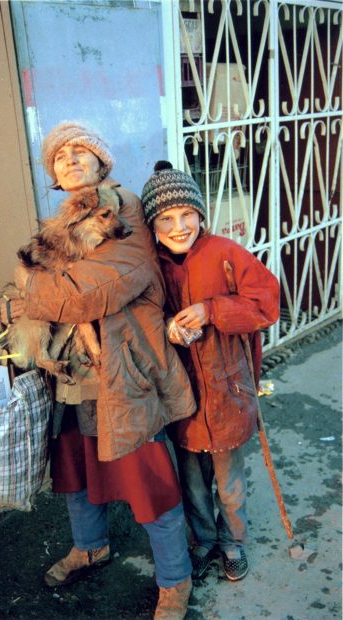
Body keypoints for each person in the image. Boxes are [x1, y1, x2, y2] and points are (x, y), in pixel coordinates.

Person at [1, 123, 196, 619]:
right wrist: (19, 300)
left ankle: (175, 580)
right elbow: (22, 287)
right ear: (54, 175)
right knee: (77, 474)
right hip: (70, 376)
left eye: (80, 150)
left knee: (149, 479)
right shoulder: (58, 224)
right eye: (59, 155)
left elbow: (90, 290)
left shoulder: (122, 209)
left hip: (124, 373)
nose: (69, 159)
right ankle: (90, 546)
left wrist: (26, 296)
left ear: (101, 163)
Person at [140, 161, 280, 582]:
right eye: (166, 218)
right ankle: (203, 539)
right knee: (192, 480)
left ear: (201, 214)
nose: (179, 226)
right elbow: (145, 316)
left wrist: (212, 310)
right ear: (153, 224)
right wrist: (167, 327)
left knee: (228, 481)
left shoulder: (224, 253)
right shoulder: (152, 265)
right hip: (180, 394)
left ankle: (232, 540)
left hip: (228, 388)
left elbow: (266, 305)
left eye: (187, 214)